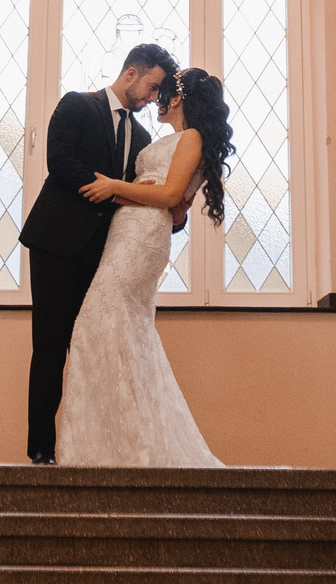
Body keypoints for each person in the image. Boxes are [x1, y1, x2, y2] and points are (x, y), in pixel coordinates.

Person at [56, 67, 236, 467]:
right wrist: (133, 194)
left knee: (102, 321)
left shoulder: (191, 138)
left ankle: (115, 449)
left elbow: (170, 196)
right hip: (129, 230)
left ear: (178, 98)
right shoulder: (178, 139)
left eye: (162, 92)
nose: (156, 100)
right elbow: (173, 203)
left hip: (141, 238)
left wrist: (113, 186)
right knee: (119, 329)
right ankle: (118, 443)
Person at [16, 43, 177, 464]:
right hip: (56, 243)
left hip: (104, 254)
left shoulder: (143, 138)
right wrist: (114, 191)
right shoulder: (77, 104)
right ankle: (41, 451)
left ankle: (87, 448)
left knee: (91, 348)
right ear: (131, 73)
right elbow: (59, 161)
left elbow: (143, 194)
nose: (153, 98)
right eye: (152, 86)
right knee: (50, 345)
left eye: (159, 92)